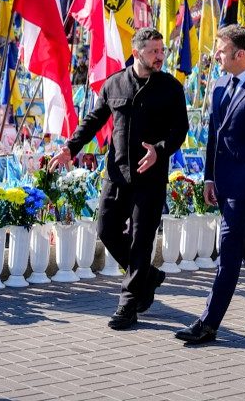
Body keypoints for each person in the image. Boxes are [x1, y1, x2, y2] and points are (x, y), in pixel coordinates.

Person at [50, 28, 189, 331]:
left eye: (161, 50)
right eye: (153, 51)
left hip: (150, 177)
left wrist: (160, 150)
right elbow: (94, 120)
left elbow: (180, 130)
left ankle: (128, 304)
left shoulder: (171, 87)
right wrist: (70, 148)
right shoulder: (114, 84)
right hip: (117, 175)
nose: (160, 56)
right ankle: (147, 276)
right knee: (107, 229)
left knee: (141, 240)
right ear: (137, 52)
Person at [175, 25, 245, 345]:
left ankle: (208, 322)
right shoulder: (220, 85)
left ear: (240, 54)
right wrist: (209, 177)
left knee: (228, 250)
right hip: (223, 182)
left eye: (221, 50)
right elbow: (215, 134)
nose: (216, 55)